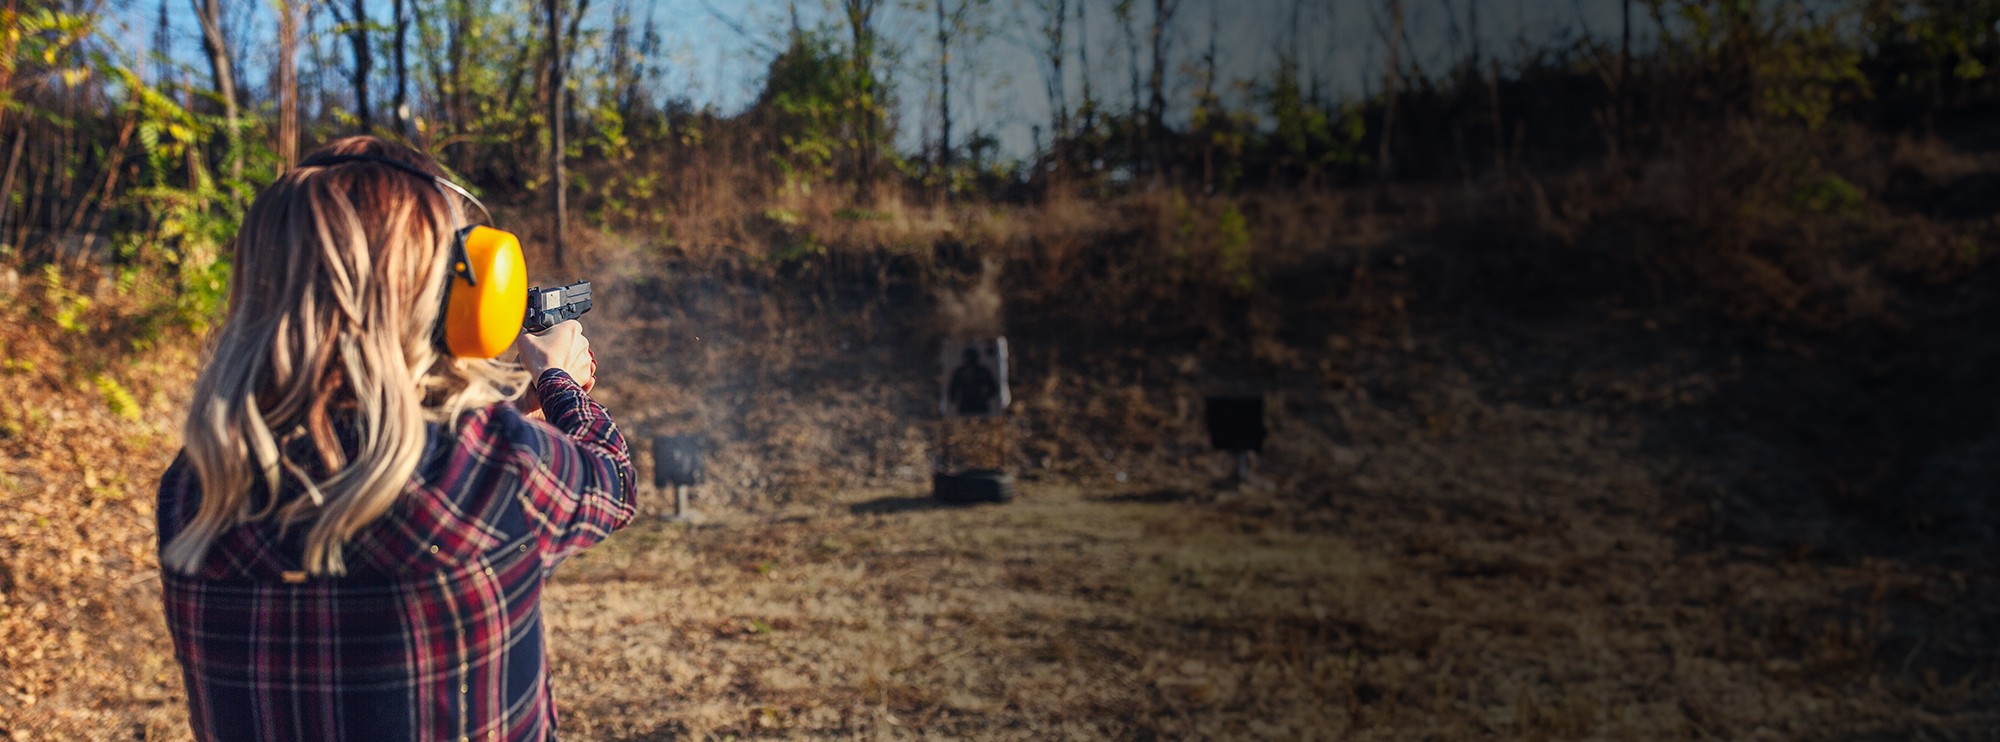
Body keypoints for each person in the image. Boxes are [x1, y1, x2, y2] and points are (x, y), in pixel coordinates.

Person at [155, 136, 636, 740]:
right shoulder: (490, 470)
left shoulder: (194, 488)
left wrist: (515, 415)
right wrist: (558, 381)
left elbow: (371, 467)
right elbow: (612, 478)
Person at [948, 346, 998, 416]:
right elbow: (952, 389)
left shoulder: (983, 371)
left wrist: (985, 394)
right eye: (967, 357)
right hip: (965, 405)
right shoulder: (959, 372)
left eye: (972, 358)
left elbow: (993, 389)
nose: (969, 360)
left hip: (980, 404)